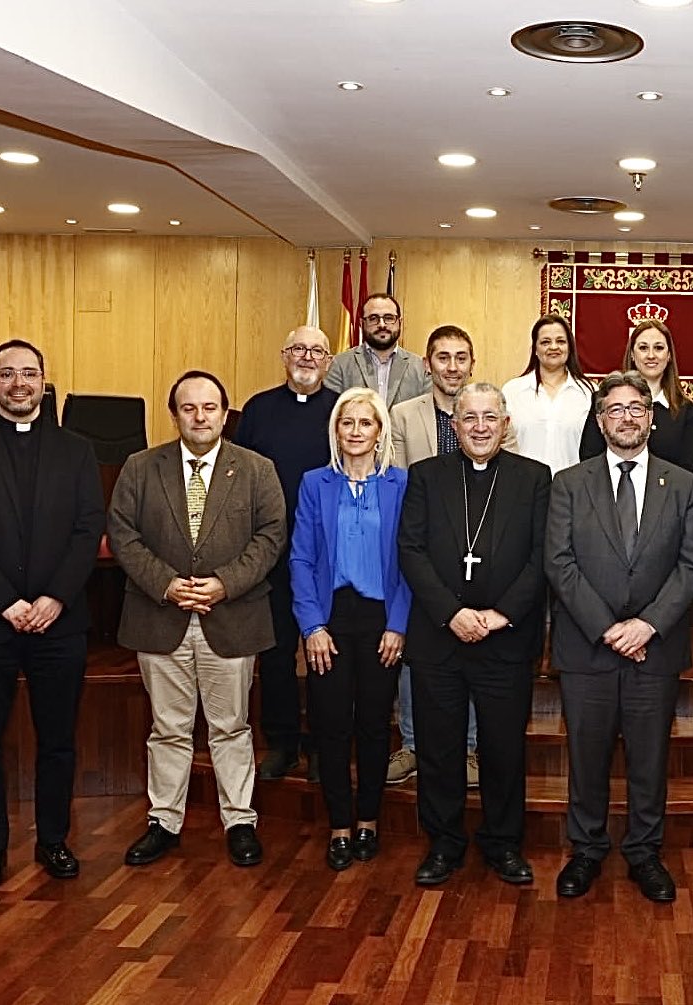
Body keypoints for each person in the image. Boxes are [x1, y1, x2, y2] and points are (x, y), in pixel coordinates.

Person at [0, 339, 105, 891]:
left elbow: (87, 531)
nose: (18, 384)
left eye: (28, 373)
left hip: (61, 621)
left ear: (44, 381)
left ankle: (54, 839)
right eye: (6, 374)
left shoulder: (78, 450)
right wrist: (6, 602)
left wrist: (54, 597)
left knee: (58, 739)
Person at [109, 371, 287, 868]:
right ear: (175, 414)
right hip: (158, 615)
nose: (200, 416)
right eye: (189, 408)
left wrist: (225, 582)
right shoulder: (141, 467)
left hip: (230, 615)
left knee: (231, 727)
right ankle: (163, 821)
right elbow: (123, 535)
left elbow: (271, 536)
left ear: (225, 413)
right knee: (167, 728)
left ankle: (240, 821)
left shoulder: (256, 469)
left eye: (209, 407)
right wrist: (165, 583)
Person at [545, 371, 693, 903]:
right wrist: (609, 628)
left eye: (637, 408)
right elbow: (560, 563)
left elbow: (689, 567)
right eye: (615, 409)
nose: (628, 417)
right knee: (586, 755)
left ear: (652, 419)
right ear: (600, 420)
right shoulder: (569, 482)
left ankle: (644, 850)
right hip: (588, 644)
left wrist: (646, 625)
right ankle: (586, 848)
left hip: (654, 648)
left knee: (649, 756)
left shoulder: (683, 484)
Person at [398, 382, 551, 886]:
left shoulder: (534, 478)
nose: (481, 427)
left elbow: (541, 556)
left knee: (503, 746)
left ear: (506, 425)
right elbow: (411, 551)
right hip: (440, 637)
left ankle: (503, 843)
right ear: (455, 425)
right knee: (439, 748)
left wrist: (502, 614)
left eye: (490, 418)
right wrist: (452, 614)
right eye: (470, 418)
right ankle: (444, 842)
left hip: (506, 638)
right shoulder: (426, 476)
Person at [386, 325, 518, 789]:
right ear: (428, 363)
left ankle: (471, 751)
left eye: (462, 357)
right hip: (427, 546)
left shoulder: (493, 418)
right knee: (420, 659)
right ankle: (414, 745)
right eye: (443, 357)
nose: (452, 366)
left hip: (484, 562)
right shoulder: (402, 416)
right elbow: (399, 482)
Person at [289, 387, 411, 871]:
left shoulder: (401, 484)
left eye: (366, 423)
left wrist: (399, 626)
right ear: (335, 430)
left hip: (383, 619)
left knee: (375, 725)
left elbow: (410, 563)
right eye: (347, 423)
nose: (356, 432)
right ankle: (339, 825)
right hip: (330, 619)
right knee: (331, 723)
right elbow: (300, 558)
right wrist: (312, 625)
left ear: (380, 432)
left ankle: (369, 822)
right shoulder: (314, 482)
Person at [233, 324, 339, 784]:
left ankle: (324, 744)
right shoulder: (258, 408)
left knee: (324, 653)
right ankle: (282, 742)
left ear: (329, 361)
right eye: (299, 348)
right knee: (275, 652)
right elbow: (239, 477)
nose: (308, 357)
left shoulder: (342, 409)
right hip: (270, 549)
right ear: (284, 354)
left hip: (327, 553)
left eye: (317, 350)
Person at [580, 318, 693, 475]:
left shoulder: (688, 411)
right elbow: (589, 457)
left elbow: (689, 470)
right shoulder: (604, 400)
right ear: (632, 354)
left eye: (658, 348)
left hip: (667, 497)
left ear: (669, 355)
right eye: (643, 348)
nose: (651, 355)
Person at [502, 315, 596, 476]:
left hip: (574, 490)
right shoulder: (512, 391)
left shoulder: (589, 392)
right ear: (535, 349)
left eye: (560, 341)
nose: (554, 347)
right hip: (522, 487)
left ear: (570, 347)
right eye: (545, 342)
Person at [324, 292, 430, 407]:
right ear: (362, 323)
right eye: (373, 318)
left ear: (400, 322)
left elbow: (425, 416)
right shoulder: (340, 364)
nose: (382, 324)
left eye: (389, 318)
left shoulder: (420, 368)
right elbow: (332, 413)